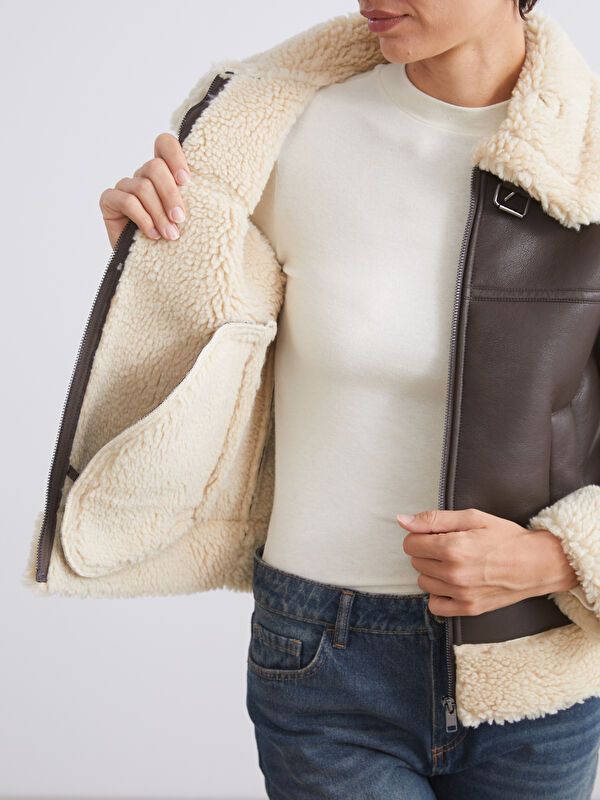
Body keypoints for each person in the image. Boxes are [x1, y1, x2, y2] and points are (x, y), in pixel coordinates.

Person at [30, 1, 600, 797]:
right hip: (323, 660)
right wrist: (151, 259)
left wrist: (560, 558)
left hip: (533, 665)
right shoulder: (282, 129)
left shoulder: (589, 154)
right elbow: (216, 343)